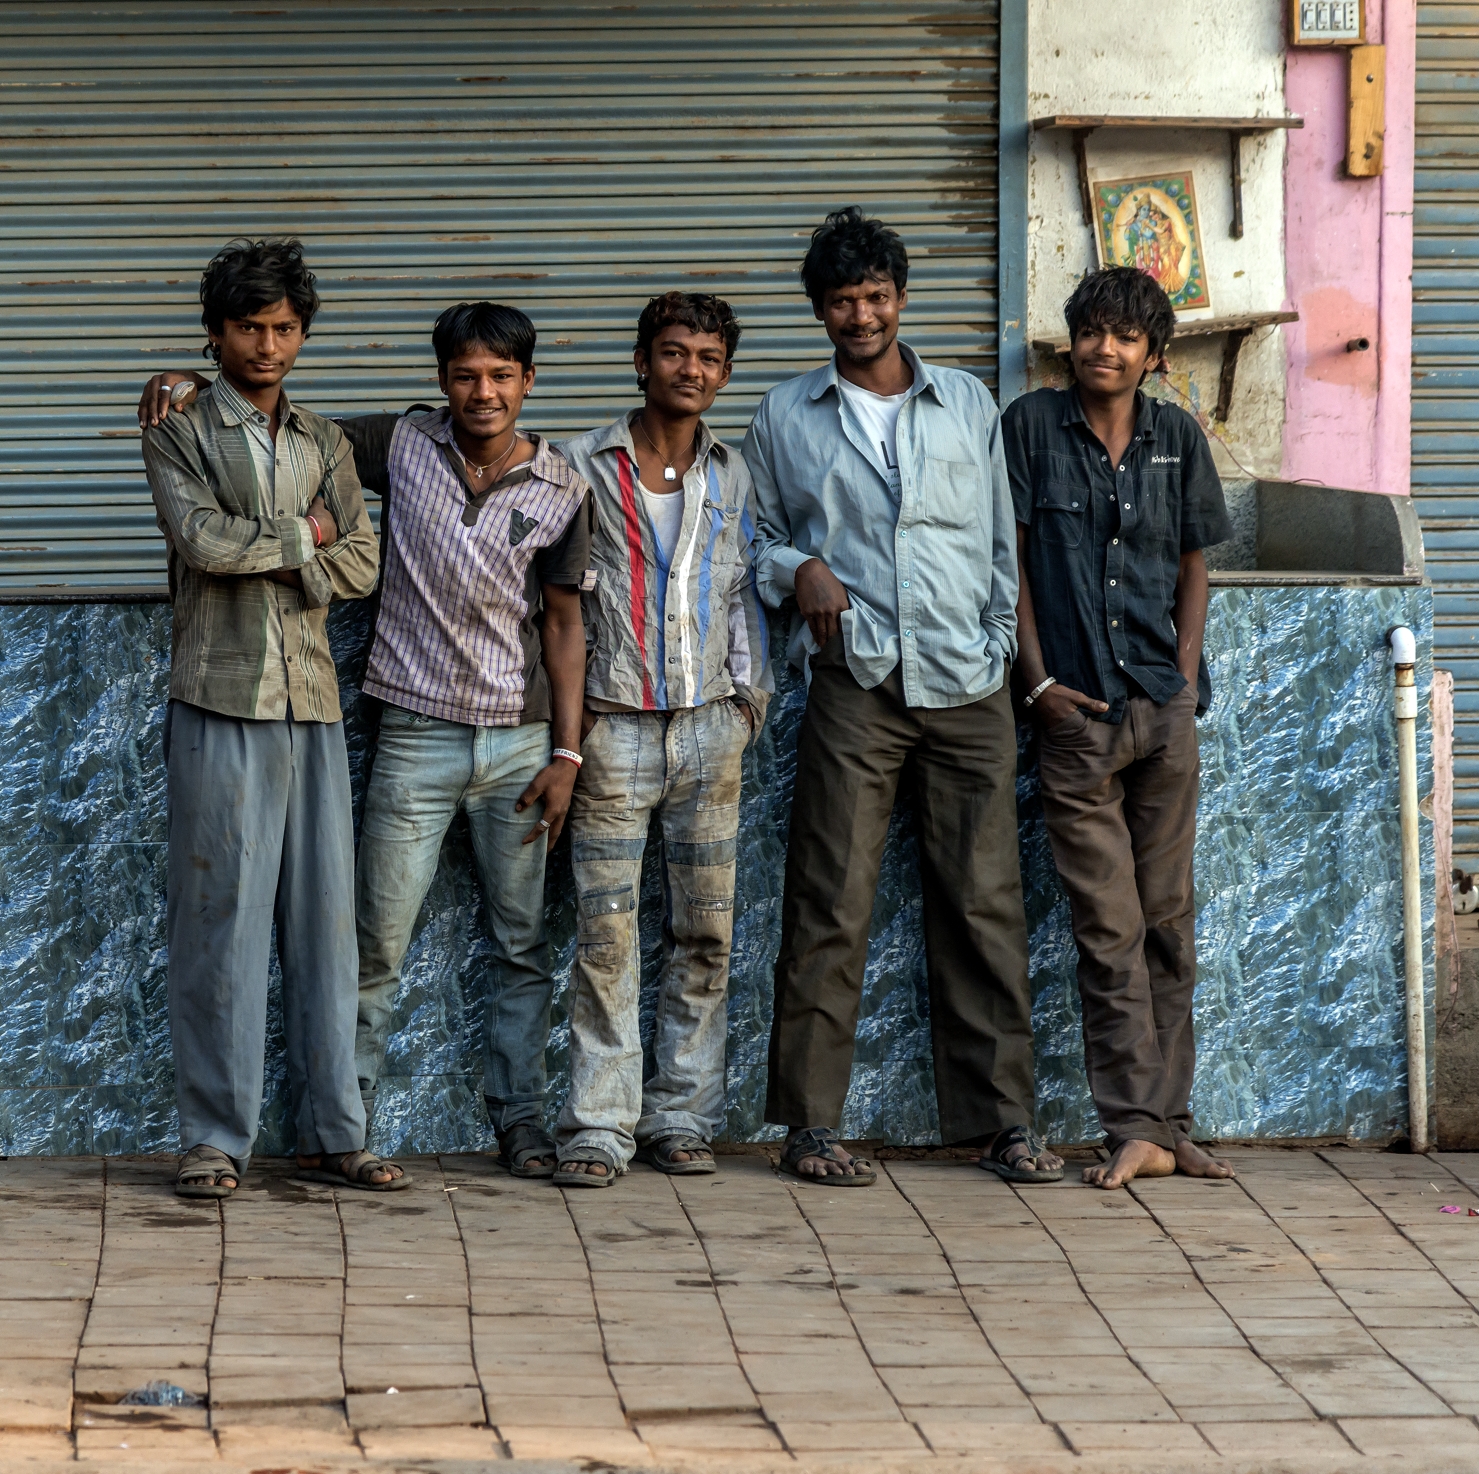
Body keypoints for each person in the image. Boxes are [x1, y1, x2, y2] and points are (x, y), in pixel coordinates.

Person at [138, 303, 590, 1182]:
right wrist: (190, 387)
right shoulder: (389, 442)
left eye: (501, 376)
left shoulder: (565, 487)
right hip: (409, 730)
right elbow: (250, 461)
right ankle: (337, 1129)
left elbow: (554, 618)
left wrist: (568, 753)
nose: (482, 392)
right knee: (368, 943)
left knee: (524, 943)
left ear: (530, 383)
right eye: (465, 374)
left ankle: (519, 1122)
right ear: (440, 380)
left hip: (517, 742)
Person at [747, 206, 1064, 1187]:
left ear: (898, 299)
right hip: (859, 681)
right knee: (829, 898)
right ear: (818, 311)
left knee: (983, 904)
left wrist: (1013, 661)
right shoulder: (782, 416)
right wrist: (797, 567)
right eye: (840, 301)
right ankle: (808, 1125)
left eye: (874, 296)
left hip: (969, 684)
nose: (859, 314)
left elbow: (1001, 544)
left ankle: (1001, 1122)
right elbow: (749, 538)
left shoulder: (969, 403)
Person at [139, 238, 407, 1198]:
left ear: (303, 334)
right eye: (248, 327)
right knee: (223, 923)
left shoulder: (326, 441)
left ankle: (339, 1132)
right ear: (214, 335)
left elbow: (365, 564)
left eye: (284, 327)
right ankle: (215, 1140)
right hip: (221, 697)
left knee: (325, 927)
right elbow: (202, 542)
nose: (267, 344)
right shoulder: (179, 427)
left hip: (312, 705)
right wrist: (309, 537)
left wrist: (302, 545)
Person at [1004, 266, 1236, 1190]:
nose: (1108, 348)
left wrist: (1180, 681)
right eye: (1093, 331)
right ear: (1072, 342)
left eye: (1127, 336)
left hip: (1162, 711)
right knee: (1110, 925)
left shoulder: (1178, 438)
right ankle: (1132, 1123)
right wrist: (1038, 685)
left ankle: (1169, 1123)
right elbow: (1009, 564)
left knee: (1170, 924)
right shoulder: (1028, 427)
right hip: (1076, 716)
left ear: (1155, 355)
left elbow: (1193, 566)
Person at [550, 291, 771, 1188]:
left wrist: (749, 702)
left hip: (711, 732)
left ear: (724, 373)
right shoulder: (579, 467)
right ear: (642, 362)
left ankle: (681, 1119)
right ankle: (599, 1128)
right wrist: (573, 728)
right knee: (605, 935)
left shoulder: (735, 475)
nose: (692, 370)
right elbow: (552, 603)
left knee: (704, 935)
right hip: (613, 730)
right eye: (675, 353)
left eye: (710, 358)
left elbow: (746, 594)